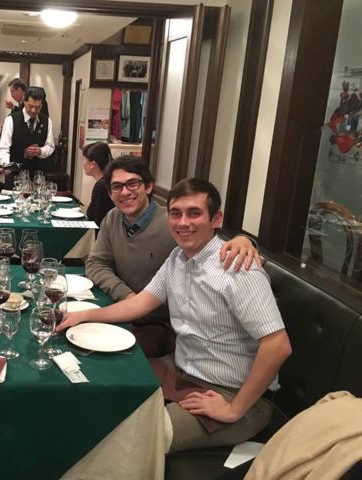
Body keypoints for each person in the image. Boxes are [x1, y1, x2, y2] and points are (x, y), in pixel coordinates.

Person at [59, 177, 292, 454]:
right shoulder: (177, 259)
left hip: (230, 393)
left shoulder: (238, 268)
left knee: (128, 440)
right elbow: (140, 303)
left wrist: (233, 409)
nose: (183, 223)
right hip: (179, 371)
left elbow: (278, 345)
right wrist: (85, 315)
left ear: (216, 219)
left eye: (194, 213)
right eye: (176, 213)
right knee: (98, 390)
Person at [85, 156, 259, 357]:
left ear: (149, 186)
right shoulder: (113, 218)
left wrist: (244, 240)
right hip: (130, 308)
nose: (125, 192)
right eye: (117, 187)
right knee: (84, 336)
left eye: (132, 183)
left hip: (165, 324)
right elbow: (96, 263)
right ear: (109, 193)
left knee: (107, 353)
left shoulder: (174, 224)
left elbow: (211, 243)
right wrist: (126, 295)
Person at [0, 86, 55, 176]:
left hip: (38, 174)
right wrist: (7, 166)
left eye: (37, 107)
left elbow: (50, 146)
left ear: (42, 105)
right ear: (24, 101)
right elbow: (3, 148)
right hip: (15, 173)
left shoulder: (46, 120)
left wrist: (40, 151)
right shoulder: (11, 120)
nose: (33, 110)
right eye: (30, 106)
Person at [82, 142, 115, 227]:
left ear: (92, 164)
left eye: (84, 160)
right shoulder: (106, 181)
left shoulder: (101, 186)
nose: (82, 163)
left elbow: (98, 221)